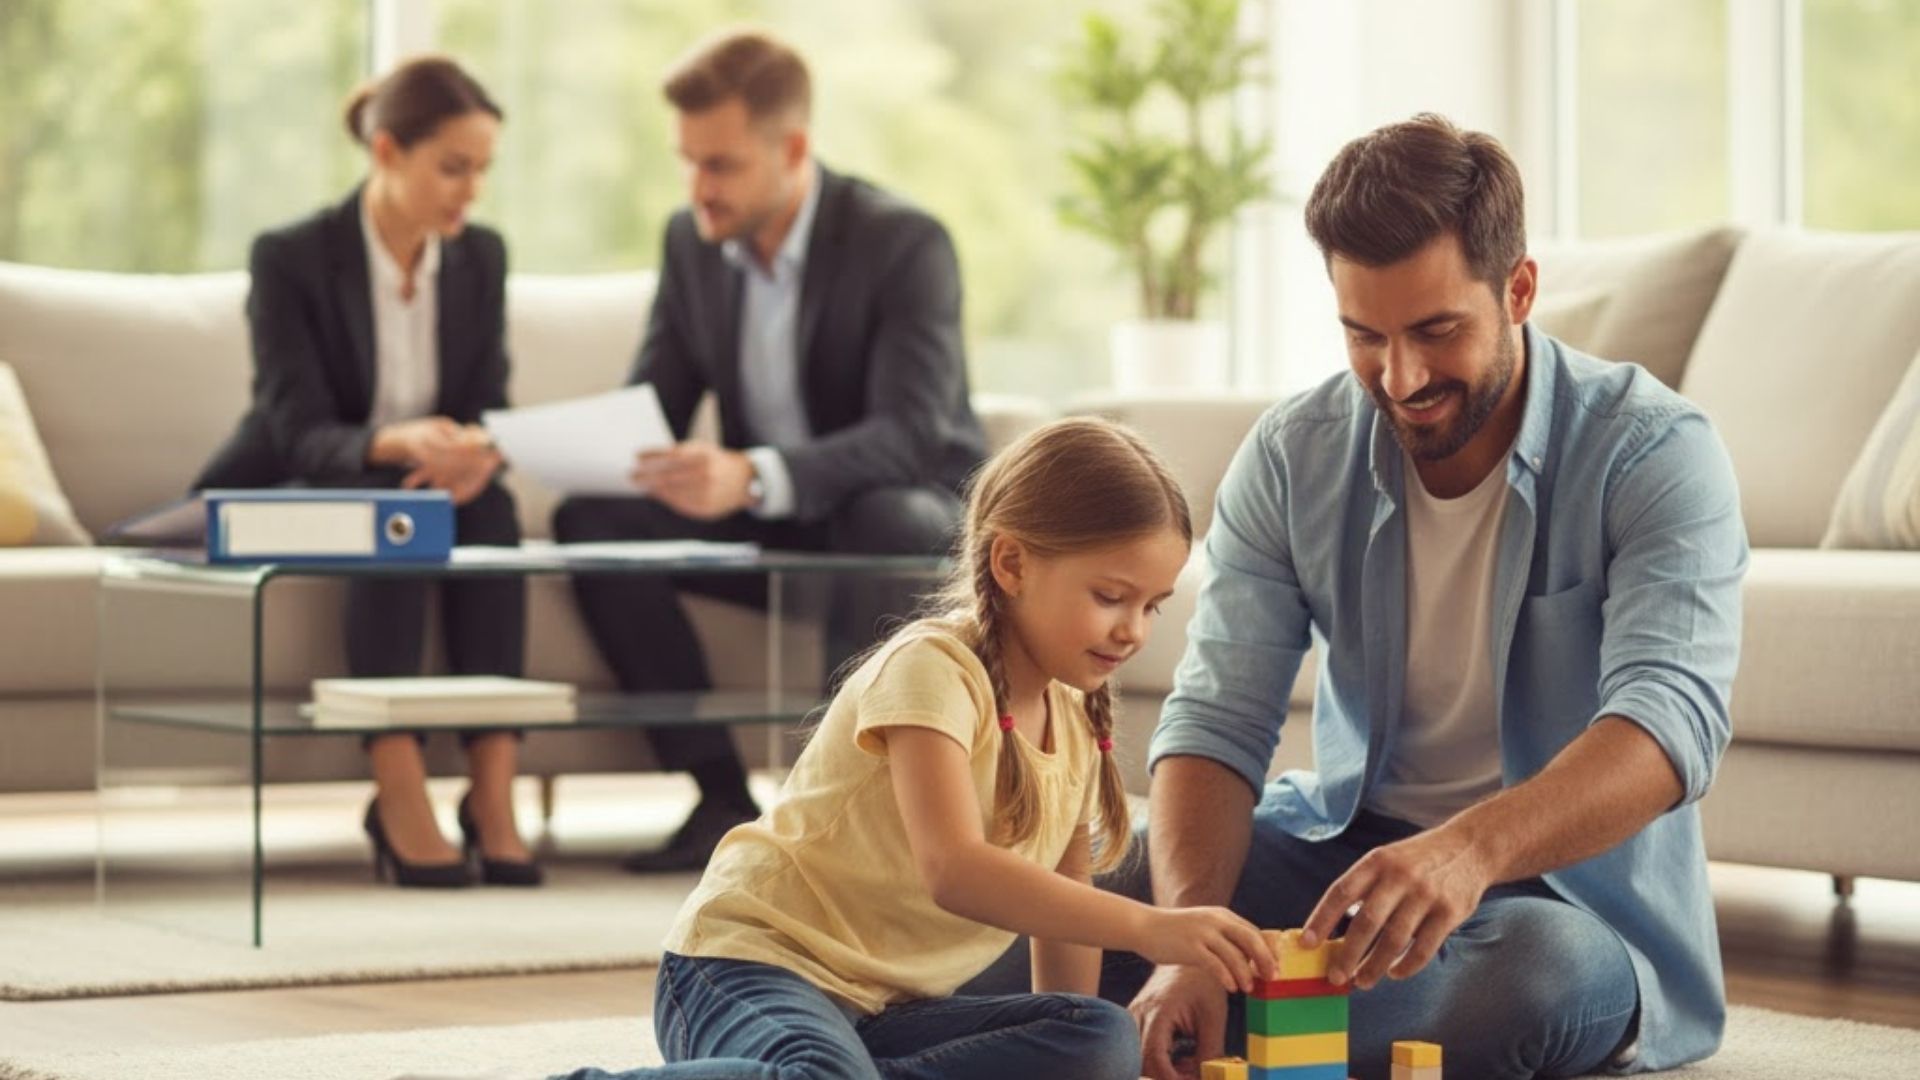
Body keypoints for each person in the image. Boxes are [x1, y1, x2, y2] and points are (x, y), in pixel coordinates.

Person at [972, 114, 1750, 1079]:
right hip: (1339, 854)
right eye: (1364, 336)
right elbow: (1218, 718)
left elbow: (1669, 723)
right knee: (1047, 895)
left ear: (1519, 289)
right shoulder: (1296, 453)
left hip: (1558, 900)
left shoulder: (1654, 451)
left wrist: (1465, 854)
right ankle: (1174, 1026)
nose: (1403, 376)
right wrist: (1184, 936)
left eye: (1437, 331)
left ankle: (1156, 1041)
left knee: (1534, 981)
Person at [551, 418, 1277, 1080]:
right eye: (1111, 596)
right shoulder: (932, 670)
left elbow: (1064, 917)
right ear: (1013, 565)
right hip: (749, 967)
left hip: (883, 1012)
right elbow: (954, 869)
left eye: (1152, 606)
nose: (1134, 631)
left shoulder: (1074, 717)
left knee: (1097, 1037)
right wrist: (1151, 927)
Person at [552, 29, 987, 874]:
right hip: (770, 525)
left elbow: (913, 431)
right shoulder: (692, 243)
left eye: (720, 166)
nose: (698, 189)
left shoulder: (903, 243)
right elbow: (657, 405)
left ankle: (831, 811)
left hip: (891, 517)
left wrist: (752, 475)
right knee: (592, 517)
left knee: (886, 513)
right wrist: (576, 451)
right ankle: (716, 795)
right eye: (688, 162)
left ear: (791, 149)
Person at [194, 56, 540, 888]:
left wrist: (473, 455)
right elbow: (298, 431)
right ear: (387, 152)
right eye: (452, 167)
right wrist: (399, 444)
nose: (470, 190)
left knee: (490, 512)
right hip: (311, 477)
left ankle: (493, 794)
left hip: (420, 483)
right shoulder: (293, 257)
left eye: (483, 169)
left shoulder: (480, 257)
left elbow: (488, 401)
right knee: (392, 511)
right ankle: (397, 787)